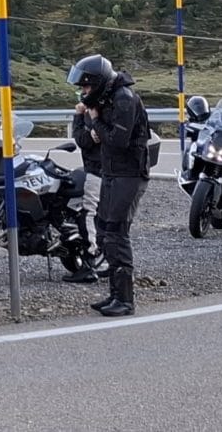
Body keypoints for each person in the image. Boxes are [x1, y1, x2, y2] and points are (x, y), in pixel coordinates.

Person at [70, 53, 152, 318]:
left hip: (129, 174)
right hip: (111, 172)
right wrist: (91, 119)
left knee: (116, 233)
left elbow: (118, 140)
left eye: (86, 86)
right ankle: (115, 294)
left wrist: (95, 119)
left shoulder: (124, 99)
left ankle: (125, 300)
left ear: (99, 82)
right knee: (104, 230)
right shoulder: (106, 98)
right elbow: (88, 139)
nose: (84, 92)